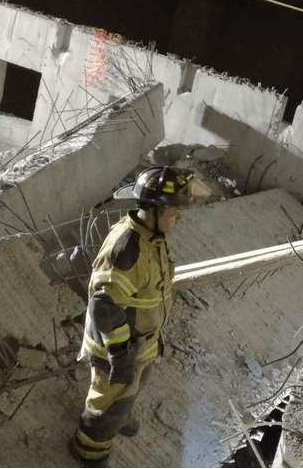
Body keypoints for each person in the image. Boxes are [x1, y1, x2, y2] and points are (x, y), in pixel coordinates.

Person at [69, 165, 207, 467]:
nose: (179, 215)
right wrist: (120, 356)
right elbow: (104, 308)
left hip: (140, 344)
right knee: (106, 403)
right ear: (154, 209)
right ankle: (89, 449)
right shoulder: (127, 249)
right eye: (174, 209)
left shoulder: (152, 236)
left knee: (133, 389)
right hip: (117, 347)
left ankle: (120, 413)